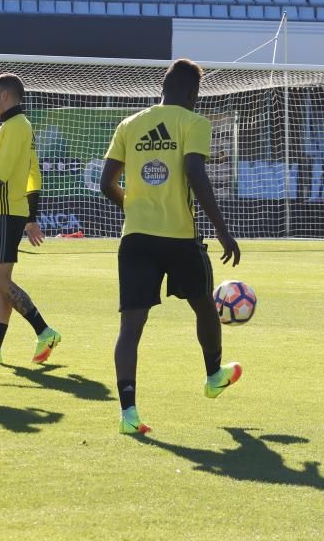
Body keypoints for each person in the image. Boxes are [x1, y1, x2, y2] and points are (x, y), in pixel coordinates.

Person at [100, 59, 242, 435]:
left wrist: (132, 204)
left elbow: (105, 182)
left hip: (136, 239)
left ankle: (128, 413)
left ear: (163, 87)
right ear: (194, 93)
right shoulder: (194, 123)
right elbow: (195, 173)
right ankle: (213, 374)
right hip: (180, 237)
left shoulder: (129, 125)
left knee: (131, 327)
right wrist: (223, 230)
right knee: (205, 309)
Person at [0, 73, 61, 366]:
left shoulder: (15, 127)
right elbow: (33, 173)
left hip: (4, 210)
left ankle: (44, 330)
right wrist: (31, 216)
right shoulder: (20, 126)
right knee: (3, 284)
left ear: (5, 96)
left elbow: (2, 173)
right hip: (11, 210)